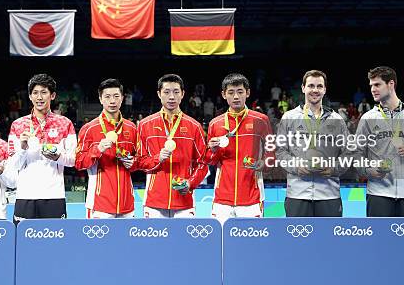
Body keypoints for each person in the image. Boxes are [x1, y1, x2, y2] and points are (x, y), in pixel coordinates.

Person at [354, 66, 404, 217]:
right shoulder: (367, 118)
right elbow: (356, 155)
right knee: (379, 241)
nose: (373, 89)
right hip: (378, 193)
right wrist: (369, 171)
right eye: (371, 86)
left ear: (391, 84)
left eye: (377, 85)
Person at [276, 70, 350, 217]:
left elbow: (348, 152)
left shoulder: (337, 120)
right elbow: (280, 151)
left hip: (329, 194)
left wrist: (333, 169)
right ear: (303, 88)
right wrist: (296, 166)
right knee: (298, 240)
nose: (315, 90)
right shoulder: (289, 117)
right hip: (298, 194)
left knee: (329, 240)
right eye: (311, 86)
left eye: (319, 86)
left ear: (324, 89)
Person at [135, 74, 208, 218]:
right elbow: (139, 161)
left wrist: (190, 183)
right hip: (154, 201)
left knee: (184, 241)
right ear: (159, 94)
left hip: (184, 201)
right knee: (155, 241)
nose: (171, 97)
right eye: (167, 92)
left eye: (176, 92)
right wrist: (157, 159)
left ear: (183, 94)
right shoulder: (145, 125)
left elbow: (203, 163)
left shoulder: (194, 126)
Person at [7, 74, 76, 222]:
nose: (39, 97)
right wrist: (23, 148)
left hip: (54, 195)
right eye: (35, 93)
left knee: (55, 243)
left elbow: (73, 160)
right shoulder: (18, 125)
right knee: (23, 243)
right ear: (30, 96)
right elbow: (13, 165)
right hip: (26, 195)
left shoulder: (65, 124)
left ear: (52, 95)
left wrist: (58, 157)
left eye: (44, 92)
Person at [205, 73, 273, 223]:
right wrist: (213, 150)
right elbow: (210, 160)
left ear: (247, 93)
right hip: (222, 198)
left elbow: (271, 155)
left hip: (252, 196)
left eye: (240, 92)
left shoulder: (261, 120)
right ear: (224, 95)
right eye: (231, 92)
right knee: (221, 243)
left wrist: (263, 164)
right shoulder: (215, 124)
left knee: (252, 243)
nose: (236, 96)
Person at [75, 79, 138, 218]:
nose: (112, 101)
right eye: (107, 96)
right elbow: (79, 162)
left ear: (122, 98)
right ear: (100, 99)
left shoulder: (131, 128)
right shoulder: (89, 129)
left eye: (116, 96)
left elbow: (139, 160)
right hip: (99, 204)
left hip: (127, 204)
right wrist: (97, 149)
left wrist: (133, 163)